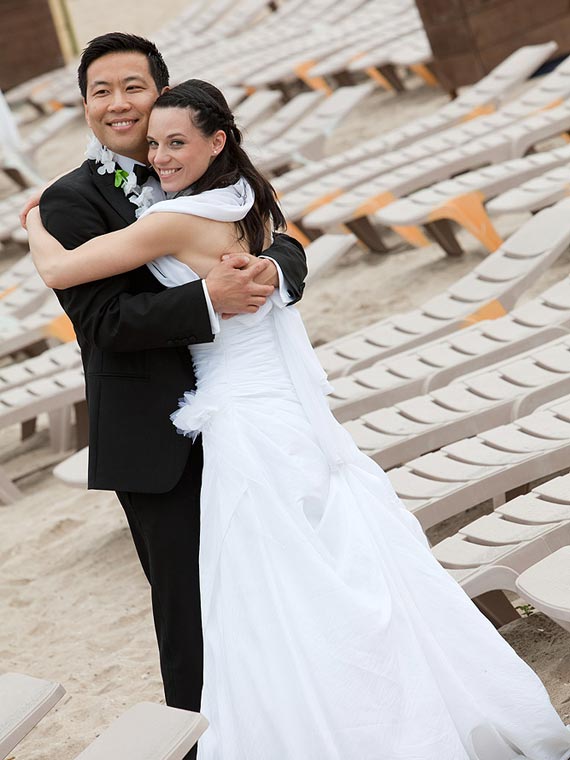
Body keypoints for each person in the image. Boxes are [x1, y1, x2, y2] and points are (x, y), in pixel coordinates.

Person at [26, 77, 570, 760]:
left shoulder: (167, 220)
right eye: (156, 144)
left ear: (215, 139)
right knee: (322, 567)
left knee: (270, 589)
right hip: (277, 405)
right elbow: (277, 242)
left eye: (176, 142)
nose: (161, 156)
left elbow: (67, 270)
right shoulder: (247, 196)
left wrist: (36, 228)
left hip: (244, 420)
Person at [25, 32, 307, 756]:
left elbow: (283, 235)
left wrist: (272, 272)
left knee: (275, 583)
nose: (118, 104)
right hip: (156, 438)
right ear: (84, 104)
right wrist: (211, 299)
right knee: (189, 613)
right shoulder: (68, 201)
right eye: (101, 91)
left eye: (133, 87)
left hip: (246, 415)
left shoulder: (201, 160)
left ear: (163, 94)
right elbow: (102, 322)